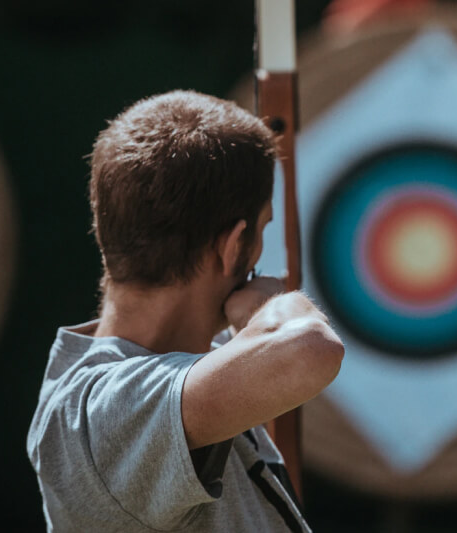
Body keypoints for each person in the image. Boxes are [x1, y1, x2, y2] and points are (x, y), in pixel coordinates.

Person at [27, 90, 344, 532]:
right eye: (262, 230)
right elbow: (309, 350)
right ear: (234, 247)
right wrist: (271, 306)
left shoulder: (199, 366)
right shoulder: (100, 412)